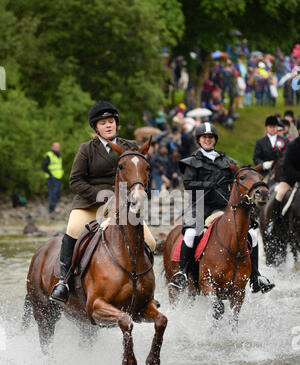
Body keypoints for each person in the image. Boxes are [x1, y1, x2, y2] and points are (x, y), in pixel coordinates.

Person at [50, 100, 156, 304]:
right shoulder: (87, 149)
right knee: (73, 229)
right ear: (96, 127)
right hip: (91, 205)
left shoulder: (130, 147)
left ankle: (144, 289)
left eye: (111, 121)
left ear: (116, 124)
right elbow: (75, 180)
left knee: (150, 241)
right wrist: (100, 195)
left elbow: (142, 174)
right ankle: (63, 282)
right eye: (102, 123)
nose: (108, 125)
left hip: (122, 208)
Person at [170, 122, 274, 294]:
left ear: (215, 140)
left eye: (210, 137)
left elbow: (241, 179)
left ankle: (255, 276)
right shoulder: (191, 162)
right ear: (198, 140)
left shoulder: (228, 162)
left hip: (223, 205)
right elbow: (188, 184)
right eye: (204, 137)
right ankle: (182, 273)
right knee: (190, 234)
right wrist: (209, 184)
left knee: (252, 235)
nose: (208, 140)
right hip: (200, 206)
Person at [270, 119, 300, 232]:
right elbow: (287, 166)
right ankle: (274, 223)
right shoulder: (293, 145)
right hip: (290, 179)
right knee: (280, 194)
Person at [42, 142, 64, 214]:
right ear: (52, 147)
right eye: (56, 147)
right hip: (52, 178)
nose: (58, 148)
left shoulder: (58, 155)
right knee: (53, 193)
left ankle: (54, 208)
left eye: (59, 147)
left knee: (57, 193)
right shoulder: (49, 155)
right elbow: (44, 166)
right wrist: (51, 175)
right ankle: (51, 210)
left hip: (58, 177)